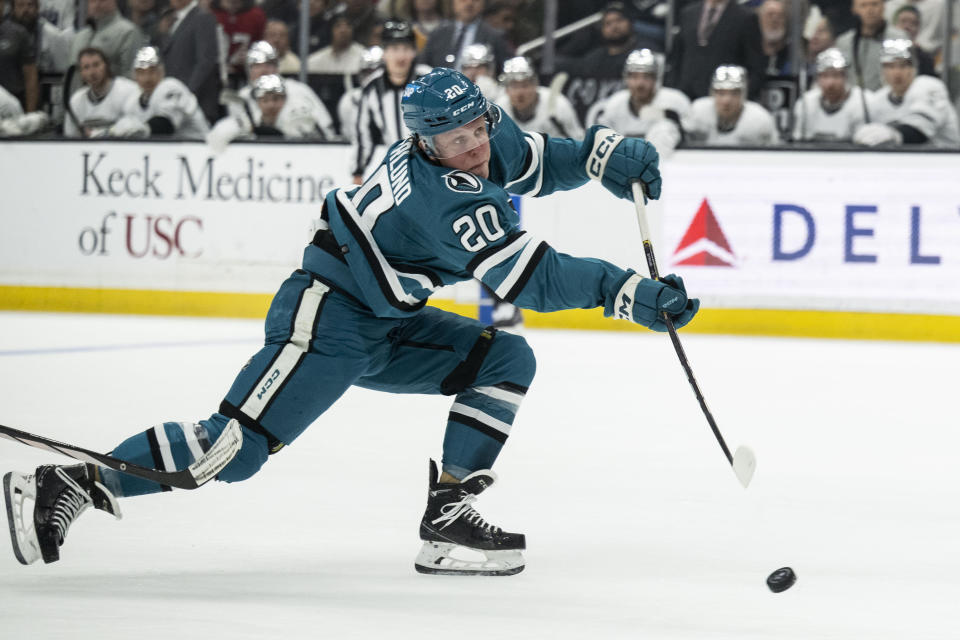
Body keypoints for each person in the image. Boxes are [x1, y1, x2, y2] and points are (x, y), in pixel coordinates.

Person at [3, 67, 697, 576]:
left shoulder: (476, 140)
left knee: (504, 360)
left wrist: (605, 156)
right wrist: (631, 293)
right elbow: (537, 279)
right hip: (328, 317)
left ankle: (448, 515)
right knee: (235, 453)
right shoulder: (448, 196)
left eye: (478, 129)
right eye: (457, 140)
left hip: (386, 318)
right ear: (427, 144)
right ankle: (72, 483)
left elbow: (538, 162)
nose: (476, 149)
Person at [351, 19, 430, 182]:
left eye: (406, 49)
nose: (401, 56)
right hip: (399, 169)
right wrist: (358, 172)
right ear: (384, 53)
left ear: (414, 52)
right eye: (394, 49)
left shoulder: (429, 81)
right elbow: (364, 134)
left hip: (435, 167)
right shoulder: (372, 88)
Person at [854, 38, 960, 148]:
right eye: (890, 66)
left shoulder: (930, 87)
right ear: (882, 70)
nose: (897, 72)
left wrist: (894, 134)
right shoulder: (878, 99)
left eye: (903, 65)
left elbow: (920, 132)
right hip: (903, 161)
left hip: (945, 159)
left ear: (914, 68)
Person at [588, 48, 691, 158]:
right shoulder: (615, 105)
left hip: (671, 166)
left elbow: (691, 139)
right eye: (634, 77)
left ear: (656, 79)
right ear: (626, 78)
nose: (640, 83)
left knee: (663, 129)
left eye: (646, 77)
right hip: (624, 166)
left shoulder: (674, 102)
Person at [228, 40, 335, 139]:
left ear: (277, 67)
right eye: (257, 65)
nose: (263, 70)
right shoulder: (241, 97)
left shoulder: (299, 90)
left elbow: (325, 126)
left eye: (269, 64)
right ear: (249, 69)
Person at [664, 0, 765, 101]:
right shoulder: (688, 13)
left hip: (724, 101)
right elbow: (676, 58)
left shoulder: (745, 18)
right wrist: (674, 91)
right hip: (685, 97)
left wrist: (739, 98)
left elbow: (756, 67)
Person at [108, 45, 209, 139]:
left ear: (161, 72)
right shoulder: (132, 101)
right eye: (141, 72)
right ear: (135, 76)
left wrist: (140, 130)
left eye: (152, 71)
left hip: (197, 149)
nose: (147, 78)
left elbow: (166, 125)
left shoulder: (171, 87)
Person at [207, 73, 319, 151]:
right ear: (258, 102)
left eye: (276, 99)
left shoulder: (298, 120)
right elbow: (216, 138)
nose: (271, 105)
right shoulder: (247, 122)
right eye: (265, 100)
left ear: (285, 99)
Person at [153, 0, 222, 124]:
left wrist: (185, 94)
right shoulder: (169, 18)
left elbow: (206, 61)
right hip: (172, 101)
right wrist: (163, 34)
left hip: (195, 103)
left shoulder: (203, 17)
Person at [684, 64, 779, 145]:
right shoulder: (698, 113)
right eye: (721, 93)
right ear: (712, 94)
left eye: (734, 93)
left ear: (743, 95)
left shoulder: (759, 119)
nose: (727, 100)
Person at [498, 55, 583, 140]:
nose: (520, 93)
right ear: (506, 90)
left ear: (535, 85)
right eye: (514, 86)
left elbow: (578, 143)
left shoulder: (558, 105)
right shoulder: (499, 111)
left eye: (525, 86)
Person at [792, 47, 867, 141]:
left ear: (846, 77)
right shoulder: (806, 103)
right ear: (817, 78)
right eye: (824, 76)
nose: (830, 83)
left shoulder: (863, 101)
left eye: (836, 76)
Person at [63, 46, 139, 136]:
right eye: (86, 67)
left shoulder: (129, 90)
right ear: (81, 73)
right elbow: (70, 137)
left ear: (106, 65)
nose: (92, 72)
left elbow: (136, 128)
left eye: (96, 65)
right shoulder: (76, 100)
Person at [835, 0, 906, 92]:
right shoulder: (844, 42)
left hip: (887, 100)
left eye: (874, 4)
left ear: (883, 7)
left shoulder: (898, 38)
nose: (870, 10)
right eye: (863, 5)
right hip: (852, 101)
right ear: (854, 9)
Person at [418, 0, 511, 71]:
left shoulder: (494, 37)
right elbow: (422, 67)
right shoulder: (438, 34)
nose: (469, 3)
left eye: (475, 0)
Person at [68, 0, 142, 82]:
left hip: (115, 93)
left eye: (102, 0)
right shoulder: (80, 36)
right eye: (92, 1)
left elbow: (131, 77)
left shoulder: (128, 32)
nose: (97, 4)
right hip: (78, 94)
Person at [211, 0, 266, 85]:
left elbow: (261, 47)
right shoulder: (210, 14)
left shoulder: (256, 15)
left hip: (245, 75)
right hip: (214, 75)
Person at [0, 0, 40, 111]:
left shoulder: (19, 33)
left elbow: (31, 76)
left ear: (3, 5)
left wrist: (30, 113)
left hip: (14, 103)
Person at [337, 44, 382, 142]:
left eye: (376, 72)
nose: (371, 78)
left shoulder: (400, 97)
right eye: (367, 72)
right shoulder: (349, 100)